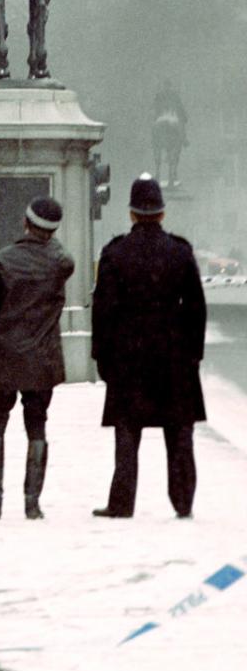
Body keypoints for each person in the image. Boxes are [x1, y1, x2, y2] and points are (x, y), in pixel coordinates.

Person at [91, 174, 206, 519]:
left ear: (131, 213)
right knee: (179, 433)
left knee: (127, 432)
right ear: (162, 213)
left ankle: (122, 502)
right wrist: (193, 355)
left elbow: (103, 310)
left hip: (129, 357)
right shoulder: (180, 252)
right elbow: (196, 309)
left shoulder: (115, 254)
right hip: (174, 357)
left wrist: (103, 356)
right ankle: (183, 499)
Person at [0, 195, 75, 520]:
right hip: (43, 358)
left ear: (25, 222)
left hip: (4, 357)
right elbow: (62, 257)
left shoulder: (0, 262)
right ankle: (32, 502)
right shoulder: (61, 264)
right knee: (37, 427)